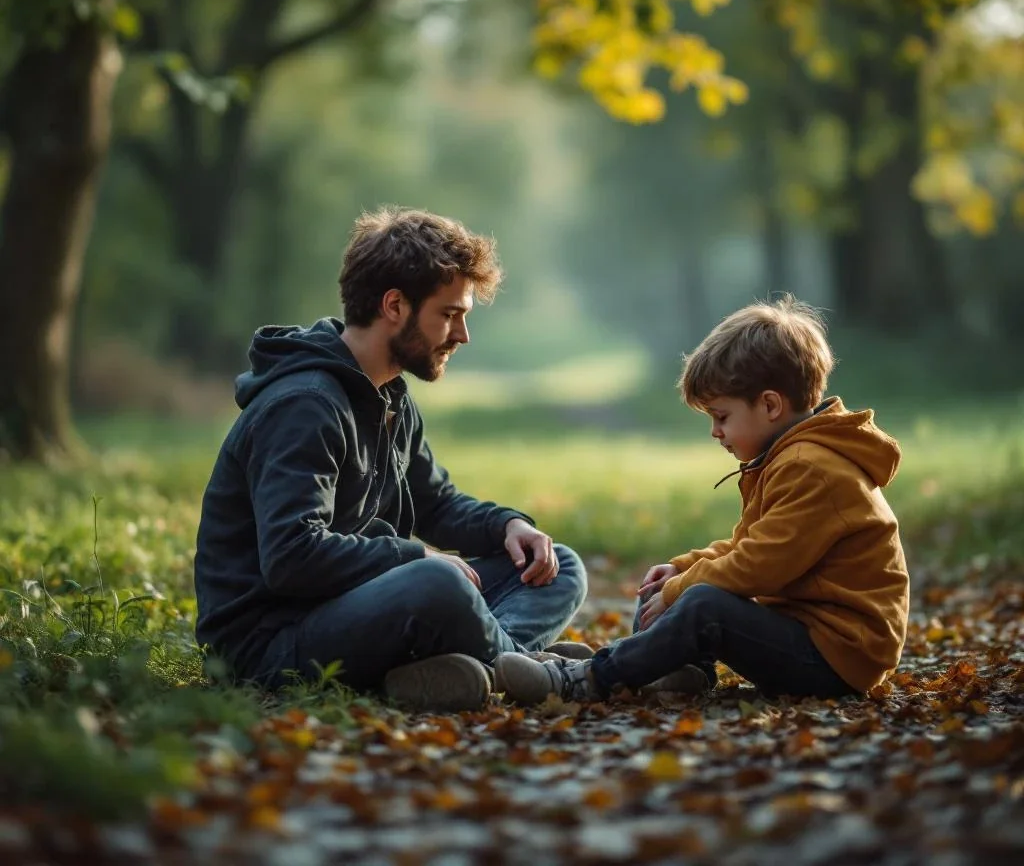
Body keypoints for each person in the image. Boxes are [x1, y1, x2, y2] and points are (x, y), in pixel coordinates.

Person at [194, 207, 588, 712]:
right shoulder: (305, 405)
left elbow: (436, 504)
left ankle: (476, 666)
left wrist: (507, 526)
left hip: (348, 611)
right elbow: (291, 557)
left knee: (554, 565)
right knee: (437, 581)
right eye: (449, 314)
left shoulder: (390, 397)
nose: (463, 335)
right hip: (270, 644)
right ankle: (542, 671)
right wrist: (413, 555)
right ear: (395, 306)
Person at [495, 294, 909, 705]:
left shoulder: (811, 468)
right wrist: (681, 568)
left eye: (721, 416)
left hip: (838, 658)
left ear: (769, 405)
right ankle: (673, 670)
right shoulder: (787, 458)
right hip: (809, 636)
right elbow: (747, 545)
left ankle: (588, 679)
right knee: (668, 584)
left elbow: (759, 567)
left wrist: (681, 587)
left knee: (700, 601)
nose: (715, 432)